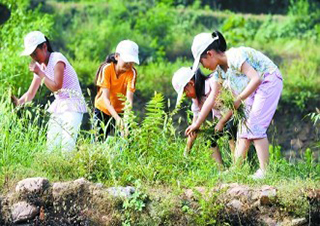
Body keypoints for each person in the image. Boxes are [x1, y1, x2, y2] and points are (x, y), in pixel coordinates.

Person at [186, 30, 283, 179]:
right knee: (244, 128)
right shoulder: (219, 72)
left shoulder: (234, 56)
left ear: (210, 54)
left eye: (201, 61)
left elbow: (255, 79)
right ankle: (236, 170)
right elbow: (212, 98)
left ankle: (265, 171)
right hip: (253, 90)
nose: (202, 66)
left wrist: (238, 100)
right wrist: (197, 124)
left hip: (268, 80)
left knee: (255, 124)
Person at [12, 31, 87, 153]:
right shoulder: (40, 66)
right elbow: (31, 94)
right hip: (59, 106)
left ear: (45, 47)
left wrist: (40, 73)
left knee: (67, 146)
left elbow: (57, 87)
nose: (34, 57)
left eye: (35, 53)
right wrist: (18, 102)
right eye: (31, 55)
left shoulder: (57, 59)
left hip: (73, 104)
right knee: (51, 146)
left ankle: (68, 171)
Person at [172, 67, 237, 168]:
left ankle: (236, 166)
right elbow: (195, 125)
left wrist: (222, 122)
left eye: (185, 92)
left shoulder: (213, 82)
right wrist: (186, 153)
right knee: (208, 138)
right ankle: (220, 169)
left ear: (191, 84)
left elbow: (235, 103)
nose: (186, 95)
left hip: (235, 115)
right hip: (223, 121)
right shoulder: (197, 100)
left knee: (230, 129)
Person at [93, 40, 139, 141]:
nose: (129, 64)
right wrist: (118, 119)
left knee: (126, 141)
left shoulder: (132, 73)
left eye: (132, 62)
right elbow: (106, 98)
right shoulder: (106, 69)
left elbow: (129, 100)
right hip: (103, 110)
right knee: (97, 141)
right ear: (117, 56)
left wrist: (125, 121)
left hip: (121, 111)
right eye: (126, 60)